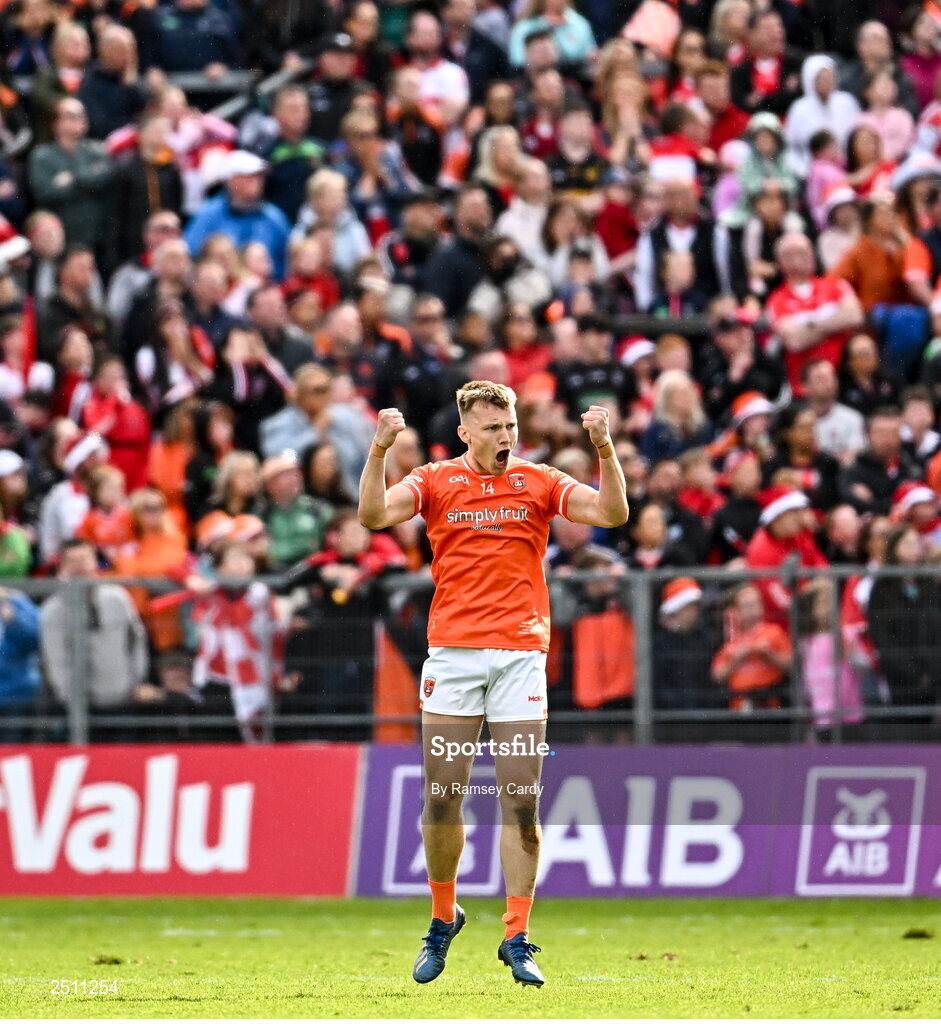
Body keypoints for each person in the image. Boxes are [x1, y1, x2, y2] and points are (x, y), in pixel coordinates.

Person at [358, 380, 627, 987]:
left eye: (509, 428)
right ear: (465, 433)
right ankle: (442, 916)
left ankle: (517, 934)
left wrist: (606, 451)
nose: (504, 438)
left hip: (519, 657)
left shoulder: (540, 481)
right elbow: (373, 516)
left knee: (522, 802)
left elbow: (611, 514)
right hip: (453, 657)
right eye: (492, 429)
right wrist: (378, 451)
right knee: (443, 799)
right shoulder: (433, 481)